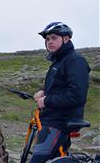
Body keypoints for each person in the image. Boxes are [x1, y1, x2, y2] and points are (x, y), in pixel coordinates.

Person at [30, 22, 90, 163]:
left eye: (54, 38)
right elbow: (60, 86)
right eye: (47, 39)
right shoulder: (59, 61)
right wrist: (43, 91)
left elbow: (77, 95)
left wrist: (46, 101)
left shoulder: (75, 61)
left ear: (66, 39)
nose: (49, 41)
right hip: (51, 119)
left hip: (59, 122)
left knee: (38, 160)